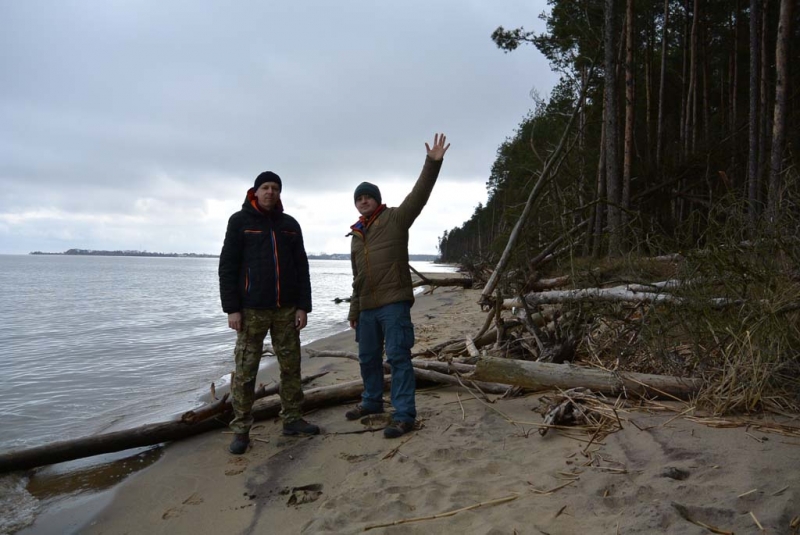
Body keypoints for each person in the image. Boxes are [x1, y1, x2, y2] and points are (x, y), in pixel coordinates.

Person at [346, 133, 450, 438]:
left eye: (368, 195)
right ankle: (372, 402)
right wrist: (354, 309)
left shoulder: (395, 219)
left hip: (393, 304)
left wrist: (432, 163)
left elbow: (420, 195)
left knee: (398, 357)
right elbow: (357, 278)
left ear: (377, 199)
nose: (363, 200)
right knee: (367, 358)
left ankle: (404, 414)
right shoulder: (356, 236)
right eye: (359, 197)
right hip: (366, 307)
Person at [219, 171, 319, 455]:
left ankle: (292, 419)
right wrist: (232, 309)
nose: (270, 192)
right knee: (245, 371)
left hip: (286, 309)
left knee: (291, 367)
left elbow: (302, 268)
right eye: (265, 187)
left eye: (275, 188)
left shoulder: (290, 225)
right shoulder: (239, 222)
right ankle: (241, 429)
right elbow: (227, 267)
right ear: (255, 191)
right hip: (251, 311)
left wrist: (303, 306)